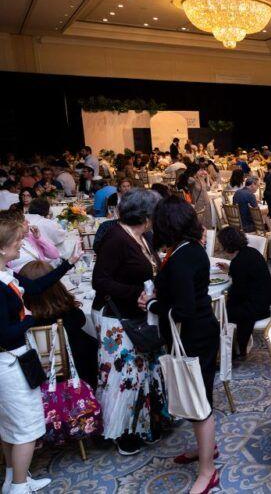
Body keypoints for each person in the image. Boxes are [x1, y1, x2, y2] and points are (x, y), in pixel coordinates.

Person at [140, 196, 220, 494]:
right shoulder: (187, 248)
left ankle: (208, 471)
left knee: (199, 402)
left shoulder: (184, 256)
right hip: (197, 332)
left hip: (195, 335)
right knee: (198, 396)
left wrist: (153, 304)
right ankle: (206, 449)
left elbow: (183, 309)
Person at [0, 213, 82, 494]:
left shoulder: (6, 275)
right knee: (26, 427)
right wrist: (29, 319)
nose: (20, 246)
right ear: (2, 248)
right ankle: (19, 487)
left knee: (9, 426)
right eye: (17, 242)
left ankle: (13, 478)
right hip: (9, 361)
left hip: (12, 358)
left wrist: (67, 264)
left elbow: (35, 286)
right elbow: (5, 333)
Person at [91, 189, 168, 456]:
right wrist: (136, 294)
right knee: (123, 376)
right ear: (146, 216)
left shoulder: (142, 236)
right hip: (116, 317)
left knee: (142, 373)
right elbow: (100, 281)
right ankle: (122, 432)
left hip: (138, 315)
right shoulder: (115, 238)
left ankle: (142, 425)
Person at [19, 260, 99, 386]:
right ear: (56, 285)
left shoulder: (21, 322)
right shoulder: (69, 314)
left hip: (35, 377)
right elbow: (82, 320)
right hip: (78, 374)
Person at [215, 226, 271, 358]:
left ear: (227, 245)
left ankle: (231, 348)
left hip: (257, 307)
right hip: (267, 299)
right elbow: (248, 275)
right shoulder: (251, 252)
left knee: (220, 312)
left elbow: (238, 294)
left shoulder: (239, 262)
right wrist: (230, 269)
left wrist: (226, 303)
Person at [177, 165, 213, 229]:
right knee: (201, 223)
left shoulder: (200, 178)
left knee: (208, 221)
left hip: (206, 202)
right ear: (195, 171)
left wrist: (207, 177)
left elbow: (208, 188)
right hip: (198, 203)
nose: (202, 172)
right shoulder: (191, 180)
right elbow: (186, 182)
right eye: (200, 170)